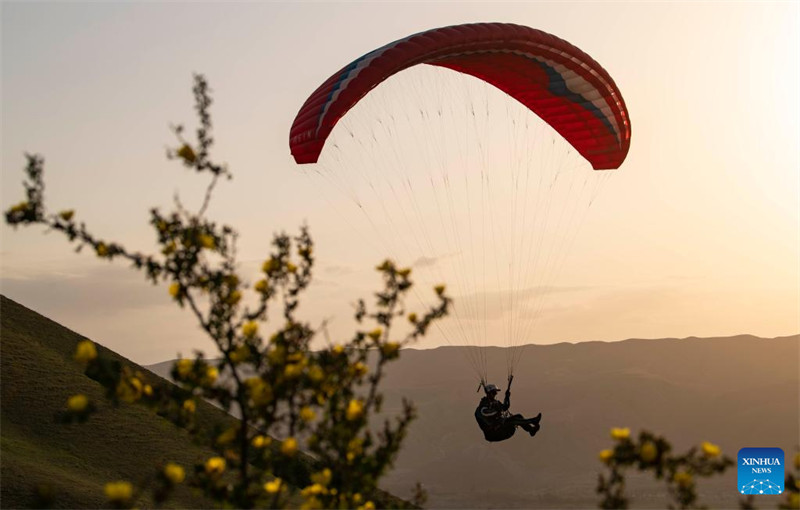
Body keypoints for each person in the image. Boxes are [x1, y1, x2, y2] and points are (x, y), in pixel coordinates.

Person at [474, 375, 541, 442]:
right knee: (512, 421)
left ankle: (531, 430)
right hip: (493, 434)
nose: (496, 394)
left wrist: (507, 396)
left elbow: (505, 407)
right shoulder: (483, 406)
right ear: (488, 393)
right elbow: (485, 412)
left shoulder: (495, 402)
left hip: (502, 429)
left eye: (496, 392)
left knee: (518, 416)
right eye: (494, 392)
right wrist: (497, 410)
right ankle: (532, 421)